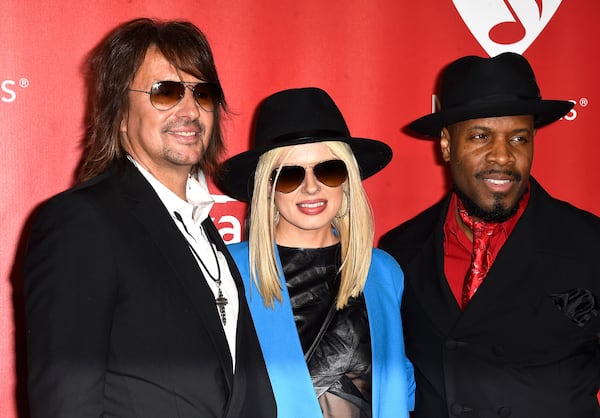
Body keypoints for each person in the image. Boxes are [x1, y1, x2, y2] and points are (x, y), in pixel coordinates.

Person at [23, 18, 276, 418]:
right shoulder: (82, 222)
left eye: (202, 93)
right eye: (167, 92)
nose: (191, 109)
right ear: (119, 109)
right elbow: (65, 403)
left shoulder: (203, 230)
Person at [379, 52, 600, 418]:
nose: (502, 157)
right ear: (447, 144)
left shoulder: (589, 243)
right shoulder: (399, 251)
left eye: (519, 139)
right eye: (481, 137)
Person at [218, 87, 415, 418]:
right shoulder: (227, 271)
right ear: (267, 186)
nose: (311, 187)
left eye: (328, 170)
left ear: (347, 179)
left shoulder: (382, 272)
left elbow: (401, 389)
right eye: (290, 175)